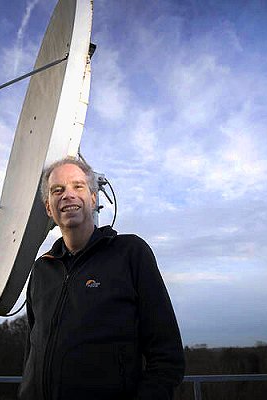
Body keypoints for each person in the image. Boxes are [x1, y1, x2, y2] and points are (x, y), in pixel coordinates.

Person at [19, 156, 185, 400]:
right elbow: (32, 352)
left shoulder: (130, 253)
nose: (68, 195)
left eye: (78, 186)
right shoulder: (42, 269)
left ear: (93, 198)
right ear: (48, 207)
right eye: (58, 190)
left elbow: (167, 356)